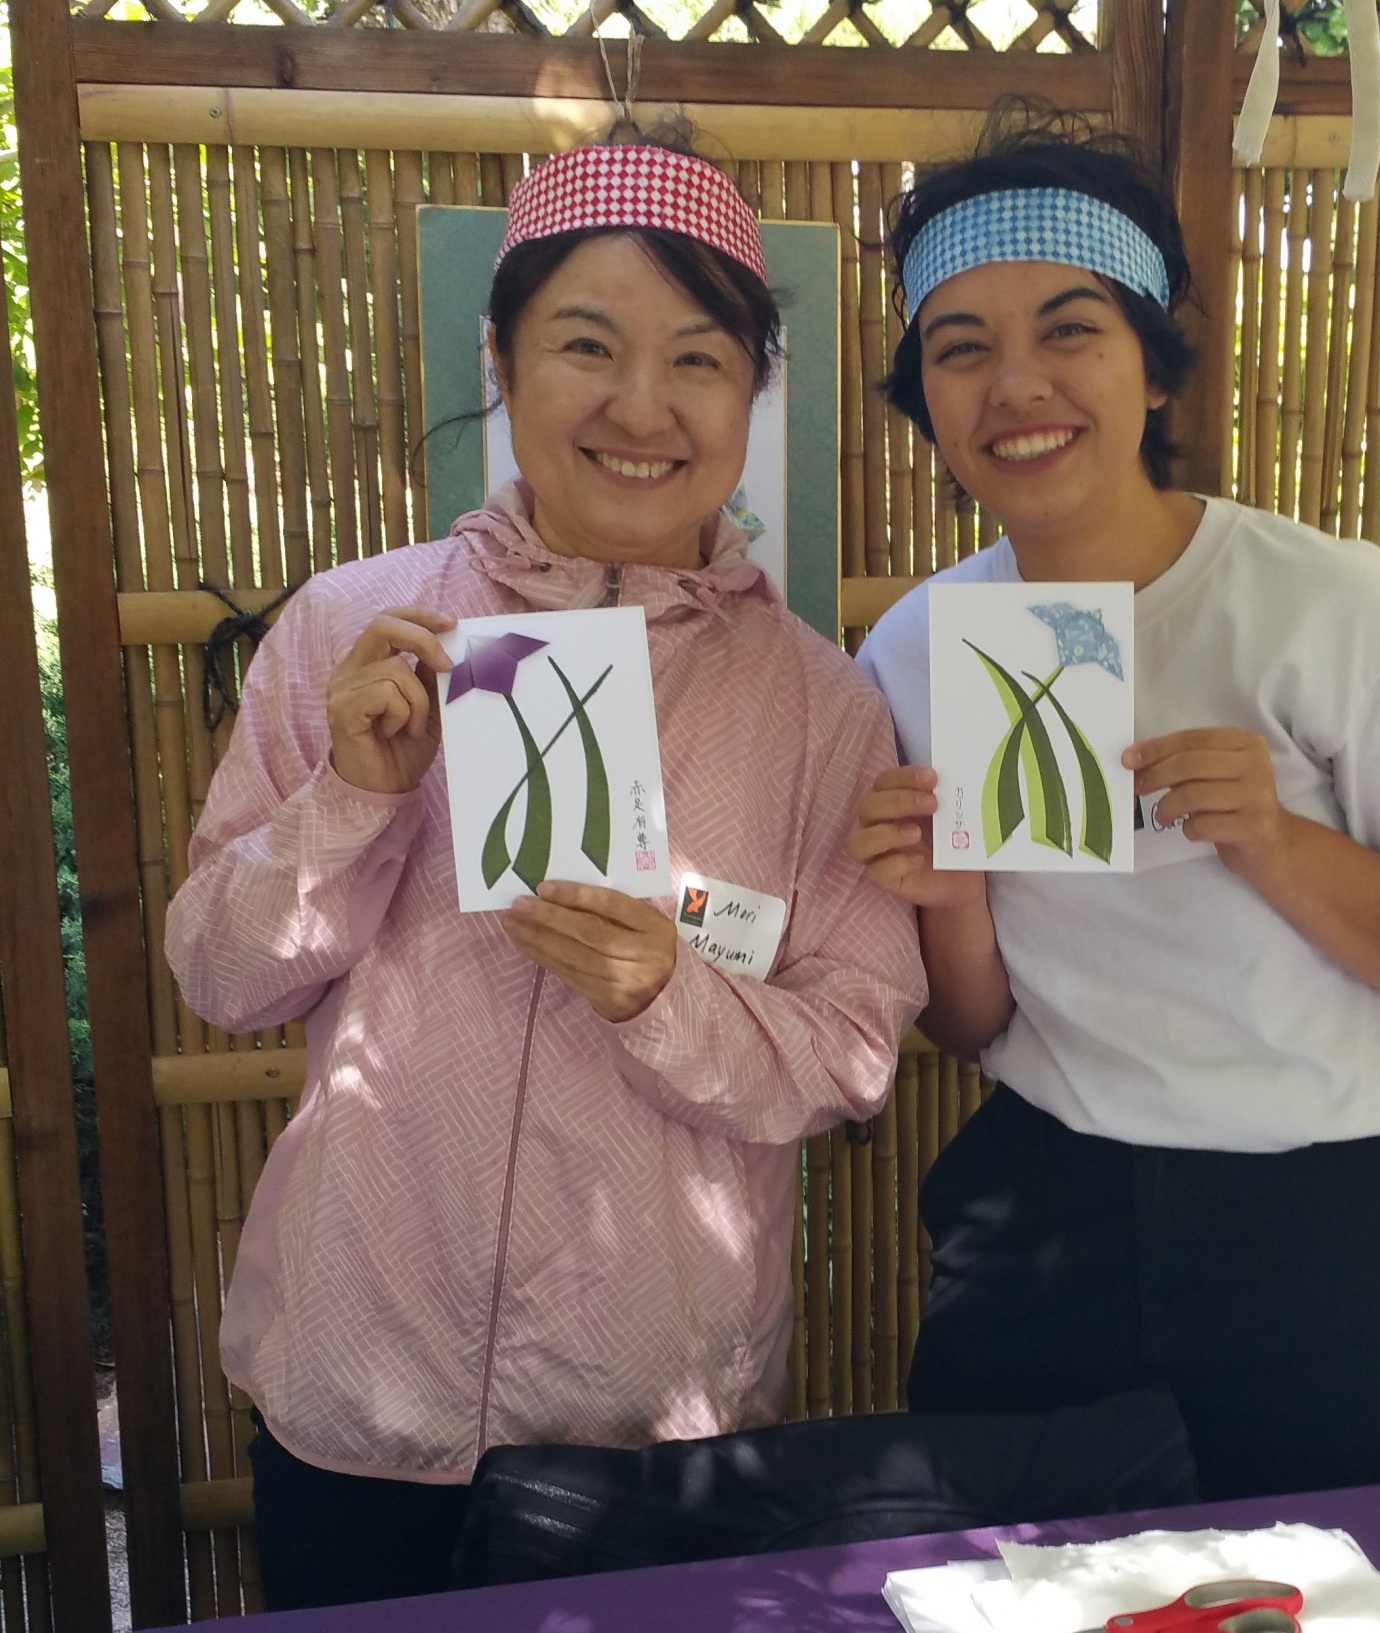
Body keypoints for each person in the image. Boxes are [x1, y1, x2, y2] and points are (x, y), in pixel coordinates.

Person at [166, 135, 924, 1610]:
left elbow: (851, 1044)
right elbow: (218, 972)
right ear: (502, 361)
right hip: (356, 1396)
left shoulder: (819, 707)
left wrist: (667, 992)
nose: (642, 407)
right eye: (587, 344)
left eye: (698, 359)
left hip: (651, 1424)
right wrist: (353, 797)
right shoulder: (349, 631)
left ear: (753, 391)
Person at [846, 109, 1380, 1502]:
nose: (1018, 386)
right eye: (961, 348)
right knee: (1009, 1592)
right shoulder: (920, 647)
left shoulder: (1337, 605)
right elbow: (971, 1022)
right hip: (1043, 1215)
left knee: (1340, 1588)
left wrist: (1278, 840)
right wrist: (950, 901)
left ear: (1155, 368)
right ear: (924, 399)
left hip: (1327, 1230)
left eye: (1070, 330)